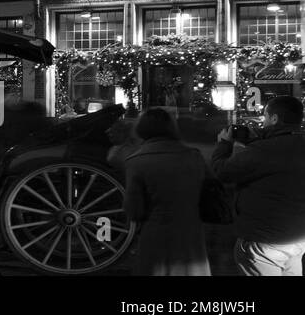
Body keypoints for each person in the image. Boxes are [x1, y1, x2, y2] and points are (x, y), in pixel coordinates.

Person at [212, 95, 305, 275]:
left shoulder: (264, 150)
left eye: (265, 116)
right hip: (297, 237)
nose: (264, 120)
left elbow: (222, 171)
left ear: (275, 118)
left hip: (264, 240)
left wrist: (224, 145)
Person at [122, 107, 211, 276]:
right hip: (191, 231)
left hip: (156, 232)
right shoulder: (194, 156)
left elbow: (134, 209)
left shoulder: (136, 161)